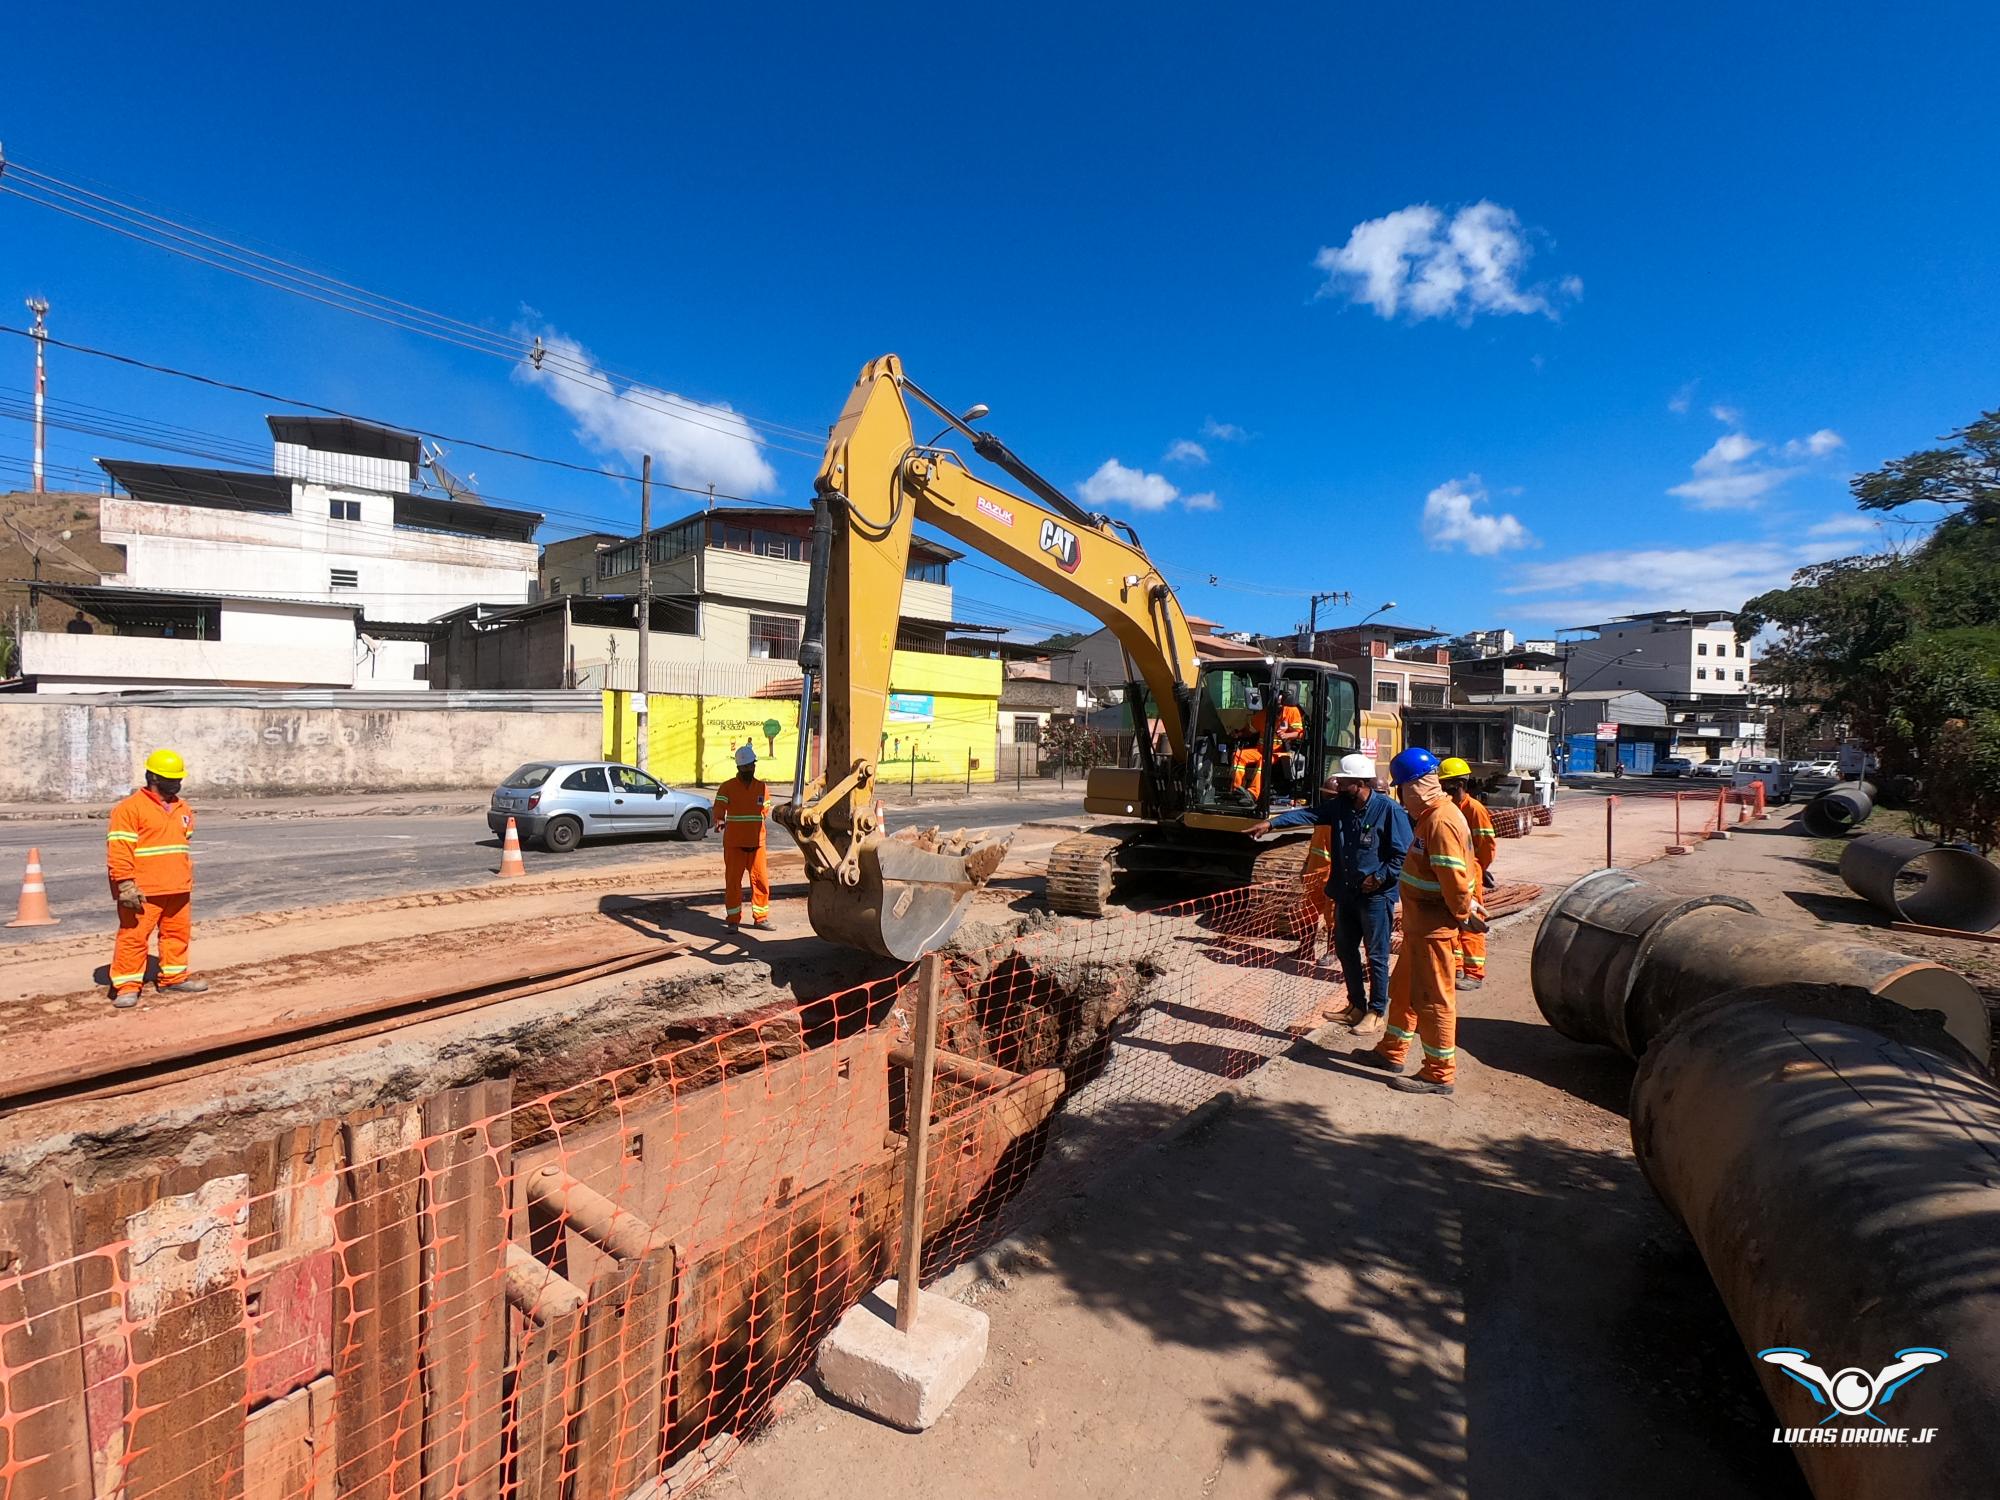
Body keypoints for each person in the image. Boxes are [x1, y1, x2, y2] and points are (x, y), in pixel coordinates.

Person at [1247, 752, 1412, 1036]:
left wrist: (1380, 877)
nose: (1337, 784)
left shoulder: (1389, 811)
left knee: (1377, 955)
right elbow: (1308, 813)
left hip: (1375, 897)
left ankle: (1375, 1012)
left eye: (1344, 780)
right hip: (1346, 894)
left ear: (1359, 782)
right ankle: (1356, 1006)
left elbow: (1403, 855)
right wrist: (1271, 824)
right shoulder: (1340, 807)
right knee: (1346, 951)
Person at [1351, 746, 1483, 1096]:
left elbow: (1454, 876)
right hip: (1419, 927)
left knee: (1433, 999)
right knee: (1404, 991)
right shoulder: (1432, 817)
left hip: (1434, 930)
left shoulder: (1440, 821)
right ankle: (1391, 1052)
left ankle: (1439, 1073)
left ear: (1414, 787)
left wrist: (1462, 913)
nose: (1400, 798)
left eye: (1400, 789)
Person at [106, 748, 208, 1009]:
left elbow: (181, 845)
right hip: (143, 890)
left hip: (177, 886)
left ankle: (173, 978)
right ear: (152, 776)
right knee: (133, 937)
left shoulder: (183, 808)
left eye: (178, 779)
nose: (176, 784)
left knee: (176, 934)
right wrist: (125, 884)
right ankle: (127, 987)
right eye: (170, 779)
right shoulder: (129, 809)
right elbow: (119, 849)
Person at [1436, 757, 1497, 991]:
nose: (1444, 790)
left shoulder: (1475, 810)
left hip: (1471, 870)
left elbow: (1487, 846)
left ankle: (1474, 973)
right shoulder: (1447, 808)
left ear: (1460, 784)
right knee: (1453, 919)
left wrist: (1478, 867)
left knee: (1471, 920)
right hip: (1453, 871)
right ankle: (1458, 966)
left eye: (1448, 785)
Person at [710, 743, 772, 928]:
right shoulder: (727, 787)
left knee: (760, 881)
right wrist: (719, 820)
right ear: (739, 767)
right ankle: (733, 920)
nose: (750, 769)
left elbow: (765, 810)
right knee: (733, 884)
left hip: (757, 843)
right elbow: (719, 807)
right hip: (734, 844)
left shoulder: (761, 787)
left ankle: (761, 918)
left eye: (752, 765)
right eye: (746, 766)